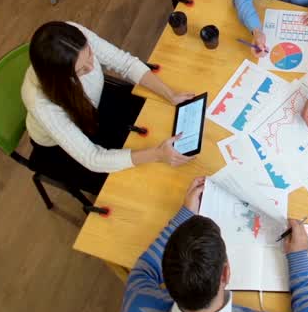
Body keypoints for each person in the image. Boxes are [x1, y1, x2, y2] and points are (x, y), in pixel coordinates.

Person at [122, 177, 308, 312]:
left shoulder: (136, 310)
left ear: (165, 276)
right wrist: (299, 257)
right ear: (226, 273)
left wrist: (185, 214)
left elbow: (143, 269)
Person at [22, 21, 195, 194]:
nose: (91, 67)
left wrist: (170, 95)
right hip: (59, 148)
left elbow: (125, 63)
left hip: (95, 105)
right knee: (129, 185)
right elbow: (93, 158)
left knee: (155, 121)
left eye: (89, 54)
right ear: (60, 78)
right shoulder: (41, 104)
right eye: (81, 70)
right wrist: (156, 154)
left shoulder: (73, 39)